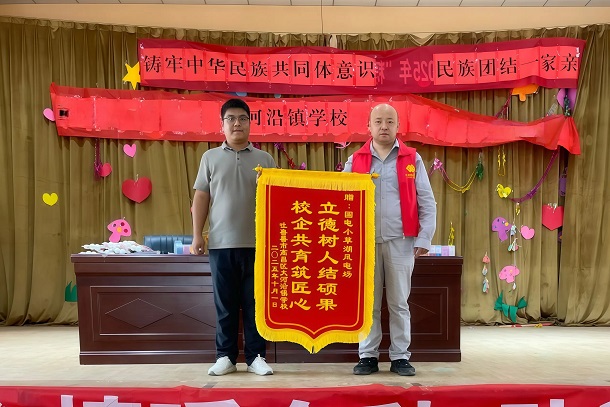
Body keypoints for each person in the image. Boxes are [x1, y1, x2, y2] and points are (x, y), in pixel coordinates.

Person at [343, 103, 436, 376]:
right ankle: (367, 356)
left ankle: (400, 357)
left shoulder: (412, 159)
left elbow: (426, 201)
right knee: (368, 304)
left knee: (399, 303)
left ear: (398, 126)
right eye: (378, 121)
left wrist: (424, 238)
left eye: (389, 121)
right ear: (369, 127)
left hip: (401, 242)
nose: (384, 126)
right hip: (365, 244)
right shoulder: (355, 160)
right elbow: (338, 195)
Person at [192, 98, 276, 376]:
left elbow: (277, 200)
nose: (237, 123)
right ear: (222, 124)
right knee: (225, 306)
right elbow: (201, 197)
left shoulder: (265, 159)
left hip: (258, 245)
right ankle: (225, 357)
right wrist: (197, 236)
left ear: (250, 123)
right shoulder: (210, 158)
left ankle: (256, 357)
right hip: (221, 244)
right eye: (231, 119)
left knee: (255, 305)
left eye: (242, 118)